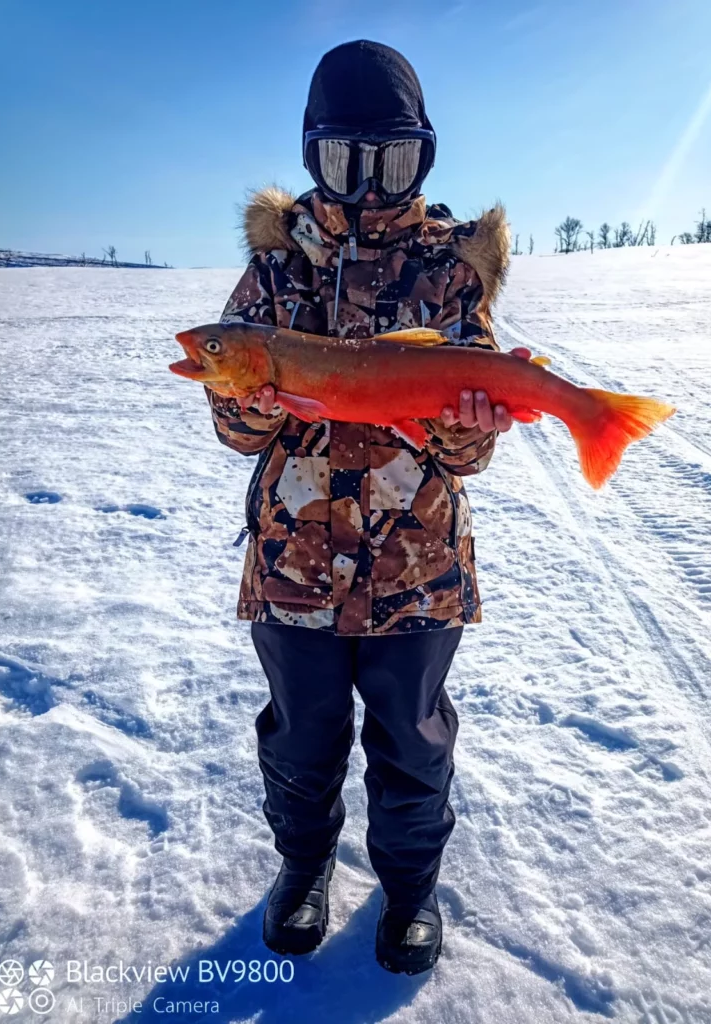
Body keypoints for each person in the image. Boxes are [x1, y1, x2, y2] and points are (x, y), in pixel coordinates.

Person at [205, 39, 512, 975]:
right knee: (299, 738)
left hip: (416, 565)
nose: (370, 186)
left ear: (422, 158)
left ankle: (412, 892)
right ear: (313, 156)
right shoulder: (274, 272)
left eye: (392, 160)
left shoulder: (452, 270)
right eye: (345, 159)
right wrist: (240, 404)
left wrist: (463, 428)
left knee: (412, 745)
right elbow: (237, 431)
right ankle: (302, 871)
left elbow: (477, 448)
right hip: (293, 567)